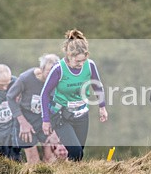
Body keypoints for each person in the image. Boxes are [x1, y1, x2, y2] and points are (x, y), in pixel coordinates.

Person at [41, 29, 108, 161]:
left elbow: (97, 86)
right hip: (60, 115)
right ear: (69, 56)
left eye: (83, 60)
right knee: (76, 151)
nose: (81, 64)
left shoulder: (90, 65)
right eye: (78, 61)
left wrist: (102, 107)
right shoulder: (59, 69)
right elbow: (44, 94)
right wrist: (46, 120)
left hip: (81, 114)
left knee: (78, 154)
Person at [8, 53, 64, 163]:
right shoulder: (25, 78)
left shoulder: (60, 81)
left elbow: (63, 106)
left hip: (47, 118)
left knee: (50, 158)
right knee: (34, 160)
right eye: (49, 72)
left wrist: (56, 132)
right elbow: (10, 97)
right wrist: (22, 123)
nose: (53, 75)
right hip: (26, 117)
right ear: (41, 69)